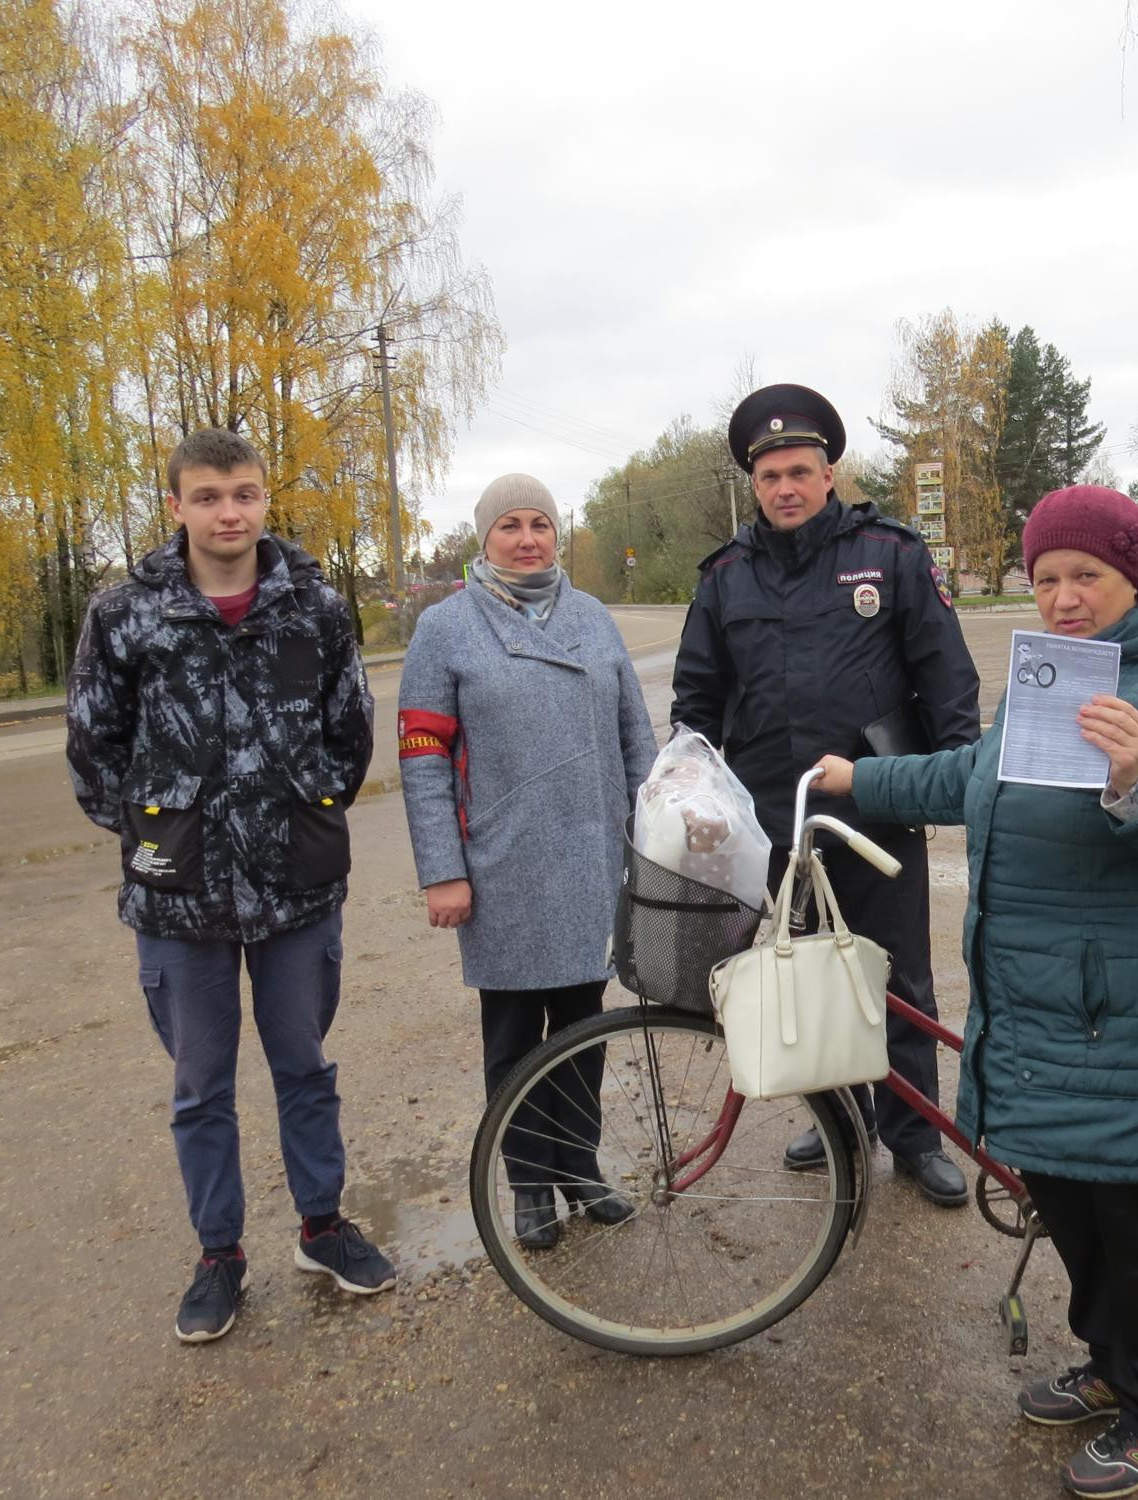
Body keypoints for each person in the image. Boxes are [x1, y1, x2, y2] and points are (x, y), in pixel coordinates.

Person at [811, 485, 1138, 1496]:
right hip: (1048, 1004)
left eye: (1087, 578)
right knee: (1072, 1200)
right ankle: (1114, 1368)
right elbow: (974, 780)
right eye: (1047, 578)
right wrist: (858, 782)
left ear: (1134, 579)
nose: (1064, 598)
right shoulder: (1049, 682)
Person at [67, 427, 394, 1344]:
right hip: (180, 900)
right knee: (200, 1084)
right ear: (176, 506)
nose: (228, 513)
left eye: (244, 494)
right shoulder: (127, 615)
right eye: (208, 497)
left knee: (305, 1066)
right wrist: (154, 828)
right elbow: (94, 748)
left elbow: (348, 732)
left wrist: (303, 806)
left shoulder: (316, 609)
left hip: (296, 887)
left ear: (263, 502)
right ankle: (220, 1255)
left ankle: (322, 1226)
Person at [671, 382, 980, 1208]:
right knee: (806, 979)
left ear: (829, 472)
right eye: (770, 474)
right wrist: (692, 792)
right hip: (773, 821)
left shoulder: (891, 556)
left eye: (800, 471)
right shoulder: (726, 577)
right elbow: (695, 704)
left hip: (873, 809)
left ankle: (913, 1132)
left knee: (897, 976)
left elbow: (946, 678)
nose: (785, 488)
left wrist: (960, 782)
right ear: (754, 480)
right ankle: (841, 1123)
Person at [398, 474, 656, 1251]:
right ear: (484, 538)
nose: (526, 538)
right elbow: (422, 761)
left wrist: (654, 831)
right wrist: (443, 868)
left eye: (539, 522)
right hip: (502, 867)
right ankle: (528, 1186)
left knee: (585, 1028)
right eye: (509, 524)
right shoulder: (445, 629)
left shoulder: (591, 618)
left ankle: (579, 1169)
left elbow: (634, 735)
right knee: (513, 1039)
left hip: (589, 857)